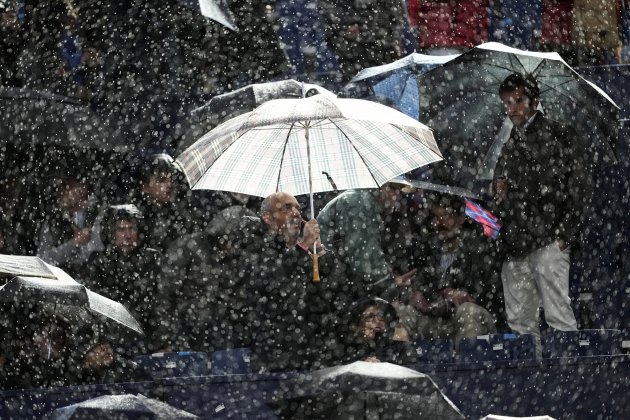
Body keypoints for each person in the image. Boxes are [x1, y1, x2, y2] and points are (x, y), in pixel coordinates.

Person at [491, 73, 592, 356]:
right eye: (507, 103)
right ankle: (530, 384)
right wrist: (498, 190)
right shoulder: (510, 143)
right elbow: (500, 194)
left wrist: (565, 235)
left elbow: (580, 187)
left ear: (535, 101)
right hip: (516, 243)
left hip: (548, 239)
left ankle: (569, 379)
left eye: (518, 100)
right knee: (520, 321)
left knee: (557, 315)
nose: (512, 108)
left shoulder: (560, 135)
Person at [239, 191, 340, 372]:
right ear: (268, 218)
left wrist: (320, 251)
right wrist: (303, 247)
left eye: (298, 208)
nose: (296, 213)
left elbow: (334, 287)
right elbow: (274, 284)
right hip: (276, 355)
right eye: (287, 208)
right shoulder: (254, 245)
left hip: (315, 352)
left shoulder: (305, 248)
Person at [397, 194, 500, 348]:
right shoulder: (430, 248)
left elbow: (485, 293)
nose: (438, 223)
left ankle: (465, 367)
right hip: (438, 320)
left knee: (468, 311)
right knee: (405, 312)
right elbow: (422, 283)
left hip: (472, 320)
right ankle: (400, 364)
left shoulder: (479, 248)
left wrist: (458, 295)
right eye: (435, 217)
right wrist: (418, 294)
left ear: (461, 218)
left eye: (444, 216)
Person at [316, 179, 418, 304]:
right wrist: (390, 284)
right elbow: (364, 259)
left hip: (334, 279)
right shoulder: (359, 203)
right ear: (384, 187)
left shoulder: (364, 202)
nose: (398, 197)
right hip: (329, 282)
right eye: (396, 190)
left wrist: (390, 277)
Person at [81, 204, 162, 353]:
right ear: (111, 233)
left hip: (147, 334)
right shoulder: (99, 261)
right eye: (121, 229)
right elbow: (94, 304)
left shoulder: (153, 258)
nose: (127, 235)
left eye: (132, 228)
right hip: (111, 336)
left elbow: (159, 302)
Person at [37, 172, 103, 276]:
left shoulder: (100, 215)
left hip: (95, 281)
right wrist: (73, 244)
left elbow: (99, 255)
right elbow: (42, 261)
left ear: (83, 188)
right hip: (60, 282)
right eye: (58, 186)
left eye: (66, 185)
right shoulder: (53, 221)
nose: (59, 190)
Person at [339, 297, 416, 365]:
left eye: (381, 316)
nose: (377, 321)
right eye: (370, 316)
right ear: (356, 323)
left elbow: (411, 358)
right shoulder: (344, 349)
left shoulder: (392, 337)